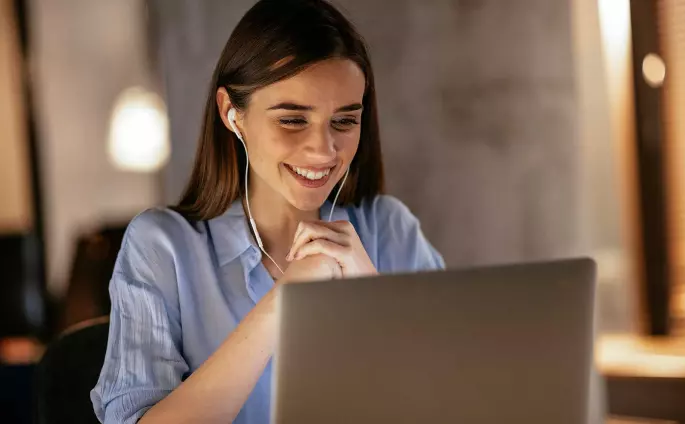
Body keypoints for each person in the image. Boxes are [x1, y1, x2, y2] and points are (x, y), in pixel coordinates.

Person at [90, 0, 443, 423]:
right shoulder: (162, 247)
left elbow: (462, 400)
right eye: (293, 120)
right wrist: (285, 301)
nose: (324, 150)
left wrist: (372, 297)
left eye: (345, 121)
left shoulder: (390, 230)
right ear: (231, 113)